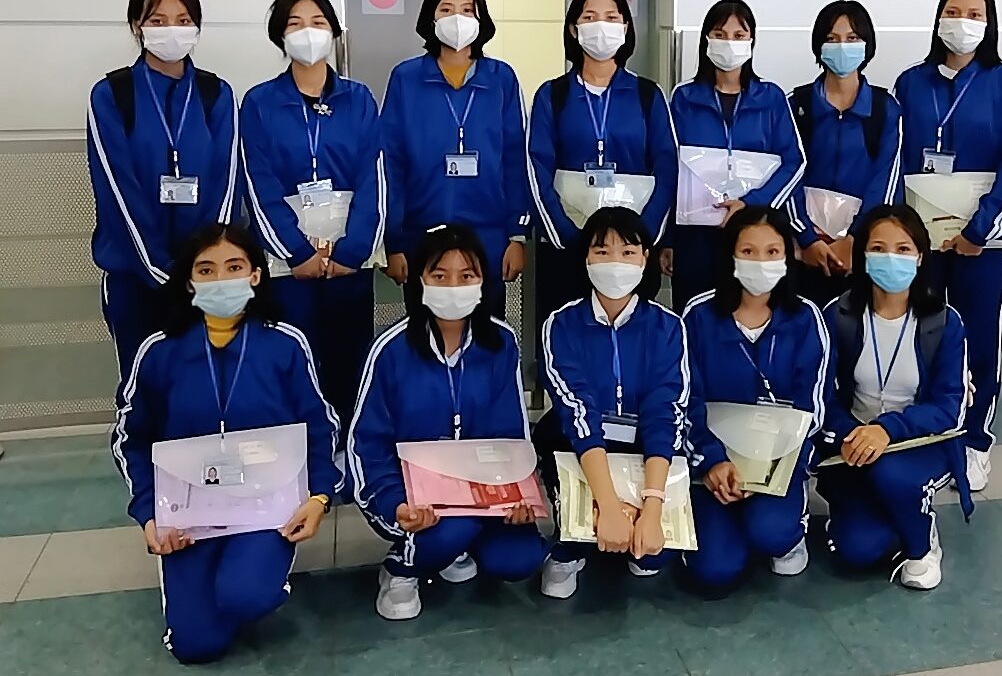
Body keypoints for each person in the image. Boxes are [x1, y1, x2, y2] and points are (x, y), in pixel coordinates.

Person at [110, 223, 342, 663]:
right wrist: (149, 514)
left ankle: (252, 580)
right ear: (189, 281)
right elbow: (132, 439)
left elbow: (319, 426)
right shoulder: (160, 351)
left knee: (245, 597)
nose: (221, 279)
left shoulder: (285, 344)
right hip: (188, 516)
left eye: (234, 267)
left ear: (255, 275)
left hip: (266, 506)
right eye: (206, 269)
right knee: (196, 646)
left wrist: (318, 497)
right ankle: (210, 595)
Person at [349, 224, 546, 620]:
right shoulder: (389, 350)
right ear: (420, 281)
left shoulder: (501, 342)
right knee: (452, 528)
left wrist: (518, 494)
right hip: (411, 496)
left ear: (483, 282)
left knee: (520, 557)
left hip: (483, 491)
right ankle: (402, 569)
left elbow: (512, 433)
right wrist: (394, 502)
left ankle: (453, 548)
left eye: (467, 276)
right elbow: (366, 442)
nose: (454, 287)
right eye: (440, 276)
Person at [893, 0, 1002, 491]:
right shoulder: (911, 83)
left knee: (979, 337)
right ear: (937, 19)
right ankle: (928, 432)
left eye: (974, 15)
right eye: (953, 12)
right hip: (921, 243)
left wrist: (981, 230)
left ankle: (975, 440)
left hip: (980, 245)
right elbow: (896, 161)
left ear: (988, 24)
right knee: (921, 334)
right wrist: (903, 234)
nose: (962, 23)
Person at [240, 0, 384, 425]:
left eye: (318, 23)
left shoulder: (359, 99)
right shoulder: (259, 103)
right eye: (295, 24)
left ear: (334, 32)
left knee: (349, 362)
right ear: (280, 36)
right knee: (293, 363)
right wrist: (297, 252)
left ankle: (347, 446)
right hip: (289, 265)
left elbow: (374, 177)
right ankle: (301, 450)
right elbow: (258, 182)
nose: (308, 32)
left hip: (347, 260)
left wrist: (352, 251)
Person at [87, 0, 239, 381]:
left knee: (206, 385)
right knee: (144, 387)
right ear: (137, 26)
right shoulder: (112, 95)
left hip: (206, 280)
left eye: (183, 20)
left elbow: (226, 185)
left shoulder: (216, 94)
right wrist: (159, 269)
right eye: (158, 20)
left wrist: (204, 265)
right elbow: (117, 191)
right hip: (134, 277)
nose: (172, 30)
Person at [533, 207, 688, 599]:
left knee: (652, 557)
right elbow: (577, 411)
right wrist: (608, 503)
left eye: (628, 252)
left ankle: (629, 524)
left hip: (642, 446)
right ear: (585, 258)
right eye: (602, 252)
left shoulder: (668, 327)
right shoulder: (561, 324)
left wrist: (651, 506)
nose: (615, 263)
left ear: (646, 258)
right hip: (579, 443)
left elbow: (664, 412)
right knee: (580, 529)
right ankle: (568, 550)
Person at [819, 205, 973, 590]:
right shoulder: (838, 315)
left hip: (920, 442)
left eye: (903, 249)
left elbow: (950, 408)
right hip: (852, 441)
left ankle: (922, 545)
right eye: (878, 248)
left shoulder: (944, 321)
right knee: (856, 551)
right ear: (863, 256)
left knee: (890, 473)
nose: (891, 258)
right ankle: (893, 511)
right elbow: (820, 395)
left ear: (920, 257)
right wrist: (851, 433)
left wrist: (887, 430)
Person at [681, 206, 830, 593]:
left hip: (778, 460)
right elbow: (686, 399)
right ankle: (723, 530)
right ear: (730, 255)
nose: (760, 262)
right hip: (713, 461)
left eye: (772, 252)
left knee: (771, 532)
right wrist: (712, 461)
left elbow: (813, 406)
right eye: (748, 251)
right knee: (714, 571)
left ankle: (783, 533)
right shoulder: (698, 316)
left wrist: (765, 465)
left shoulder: (806, 318)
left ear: (787, 256)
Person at [527, 0, 678, 339]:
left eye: (611, 18)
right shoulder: (552, 95)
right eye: (590, 17)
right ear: (573, 29)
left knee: (633, 341)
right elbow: (536, 168)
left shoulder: (647, 94)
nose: (601, 26)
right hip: (568, 248)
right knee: (568, 339)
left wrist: (643, 237)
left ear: (625, 28)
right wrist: (568, 237)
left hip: (631, 252)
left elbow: (668, 166)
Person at [380, 0, 529, 317]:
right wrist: (393, 241)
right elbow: (391, 161)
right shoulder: (406, 78)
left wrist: (516, 235)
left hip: (488, 234)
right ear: (431, 18)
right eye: (446, 10)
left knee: (487, 330)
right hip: (422, 232)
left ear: (480, 18)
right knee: (424, 331)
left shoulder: (501, 78)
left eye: (467, 10)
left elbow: (515, 158)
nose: (457, 19)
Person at [664, 0, 806, 312]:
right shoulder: (684, 97)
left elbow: (795, 162)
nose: (729, 43)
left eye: (739, 35)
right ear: (706, 40)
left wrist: (752, 203)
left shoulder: (771, 97)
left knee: (752, 312)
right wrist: (668, 240)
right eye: (720, 34)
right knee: (695, 314)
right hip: (696, 236)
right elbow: (670, 169)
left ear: (751, 41)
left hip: (754, 233)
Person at [787, 0, 904, 308]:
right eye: (832, 38)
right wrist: (807, 238)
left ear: (867, 45)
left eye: (852, 38)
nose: (842, 47)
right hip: (802, 251)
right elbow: (786, 177)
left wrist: (856, 239)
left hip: (860, 253)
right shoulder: (795, 106)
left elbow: (886, 182)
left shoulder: (885, 109)